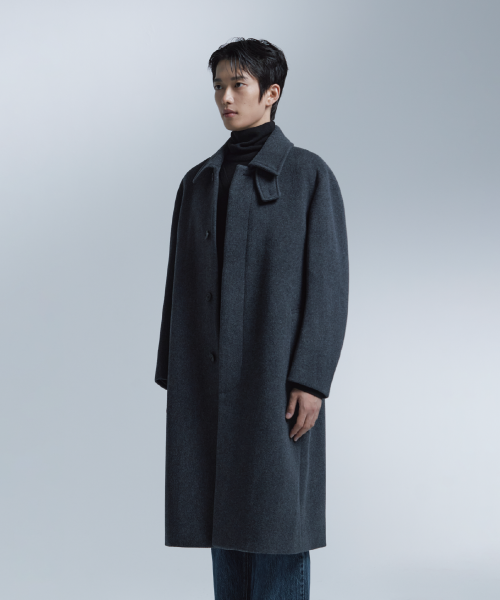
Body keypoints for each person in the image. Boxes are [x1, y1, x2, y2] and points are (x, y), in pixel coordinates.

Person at [155, 37, 349, 599]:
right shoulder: (198, 182)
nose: (225, 97)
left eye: (238, 85)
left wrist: (312, 379)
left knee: (276, 525)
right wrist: (175, 373)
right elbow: (177, 285)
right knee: (223, 521)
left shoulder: (308, 175)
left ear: (272, 93)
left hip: (275, 382)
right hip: (207, 381)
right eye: (218, 85)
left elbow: (329, 285)